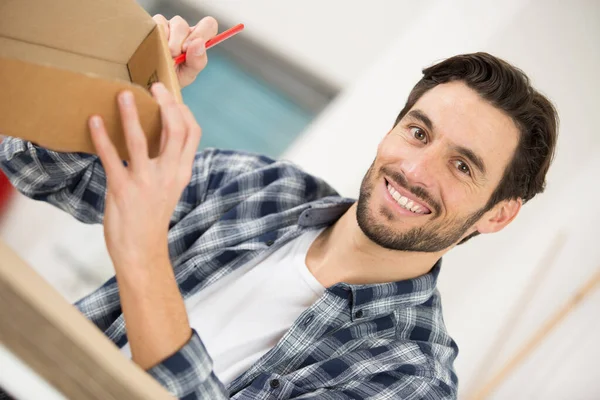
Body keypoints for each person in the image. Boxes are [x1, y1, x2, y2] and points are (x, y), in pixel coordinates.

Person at [0, 14, 558, 400]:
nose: (416, 170)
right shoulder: (261, 188)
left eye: (463, 166)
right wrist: (127, 88)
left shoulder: (411, 379)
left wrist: (143, 255)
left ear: (497, 213)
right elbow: (44, 171)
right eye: (417, 132)